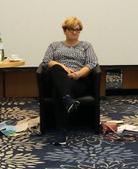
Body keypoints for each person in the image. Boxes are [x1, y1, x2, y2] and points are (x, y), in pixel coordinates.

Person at [40, 16, 99, 145]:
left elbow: (91, 63)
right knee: (56, 68)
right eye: (71, 29)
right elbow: (46, 61)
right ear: (65, 30)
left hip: (77, 80)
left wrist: (78, 74)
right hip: (58, 76)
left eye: (77, 30)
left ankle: (62, 133)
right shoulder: (54, 45)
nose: (74, 32)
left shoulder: (86, 46)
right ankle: (67, 99)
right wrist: (64, 67)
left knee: (58, 91)